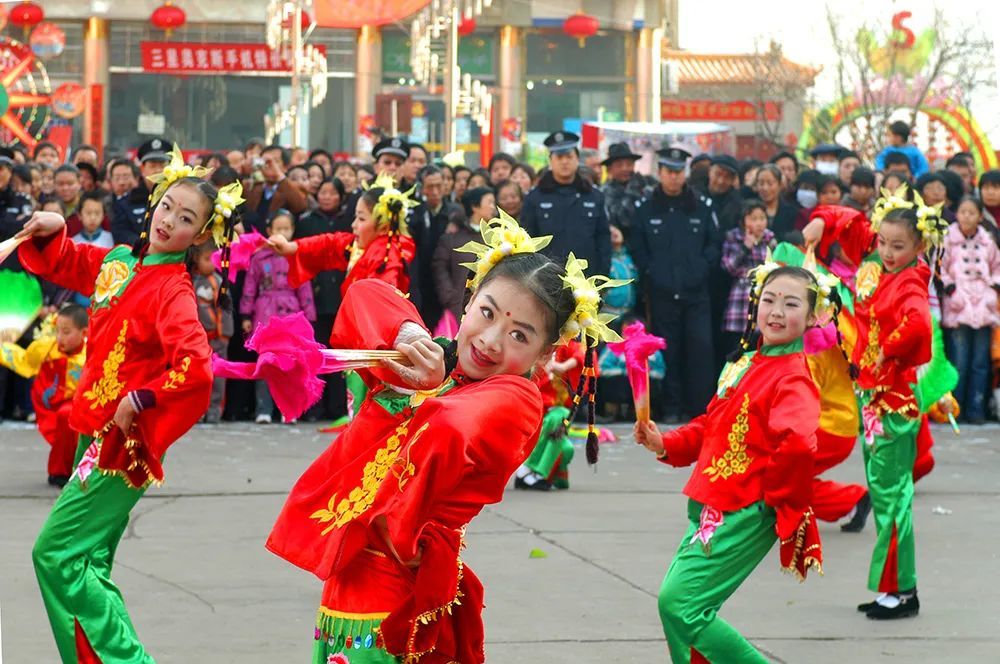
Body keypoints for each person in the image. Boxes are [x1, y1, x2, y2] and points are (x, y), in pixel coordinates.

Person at [263, 210, 620, 663]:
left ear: (546, 353)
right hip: (346, 594)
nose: (491, 340)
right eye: (487, 313)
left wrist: (422, 384)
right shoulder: (435, 365)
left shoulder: (516, 398)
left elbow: (451, 428)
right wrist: (409, 334)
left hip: (394, 605)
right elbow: (364, 294)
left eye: (518, 335)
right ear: (468, 300)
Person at [20, 147, 241, 662]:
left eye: (187, 219)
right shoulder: (122, 260)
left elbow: (196, 364)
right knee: (88, 562)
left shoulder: (174, 291)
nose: (170, 221)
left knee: (56, 554)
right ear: (154, 201)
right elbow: (75, 263)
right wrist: (55, 227)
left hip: (120, 445)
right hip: (88, 431)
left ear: (201, 235)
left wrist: (142, 395)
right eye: (168, 206)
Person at [634, 264, 825, 663]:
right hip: (714, 500)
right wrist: (662, 442)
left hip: (743, 508)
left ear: (811, 317)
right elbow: (711, 425)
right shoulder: (750, 362)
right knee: (681, 606)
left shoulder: (793, 377)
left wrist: (770, 498)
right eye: (769, 299)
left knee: (680, 605)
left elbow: (798, 445)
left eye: (790, 304)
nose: (775, 311)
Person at [803, 185, 946, 619]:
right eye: (883, 241)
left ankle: (902, 591)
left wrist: (889, 348)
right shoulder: (878, 257)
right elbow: (848, 219)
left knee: (892, 495)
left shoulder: (909, 282)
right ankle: (896, 588)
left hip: (893, 402)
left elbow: (919, 325)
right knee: (887, 494)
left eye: (898, 246)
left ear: (919, 246)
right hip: (872, 396)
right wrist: (821, 221)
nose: (885, 250)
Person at [630, 146, 720, 421]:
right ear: (659, 173)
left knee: (699, 349)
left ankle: (699, 409)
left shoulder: (701, 207)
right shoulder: (645, 208)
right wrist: (653, 273)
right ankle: (670, 407)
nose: (673, 177)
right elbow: (639, 248)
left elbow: (713, 245)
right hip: (662, 293)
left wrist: (702, 269)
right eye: (669, 172)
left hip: (696, 294)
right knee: (667, 350)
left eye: (678, 172)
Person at [241, 209, 316, 424]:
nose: (282, 232)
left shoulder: (296, 257)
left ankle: (288, 409)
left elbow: (305, 290)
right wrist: (246, 314)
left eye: (286, 228)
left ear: (292, 231)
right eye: (278, 228)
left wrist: (308, 319)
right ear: (269, 231)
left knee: (291, 363)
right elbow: (249, 288)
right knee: (265, 362)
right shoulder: (259, 258)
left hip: (291, 313)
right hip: (264, 312)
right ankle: (263, 409)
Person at [0, 304, 88, 487]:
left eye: (66, 332)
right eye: (58, 331)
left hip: (83, 405)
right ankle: (60, 472)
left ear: (84, 333)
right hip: (51, 405)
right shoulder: (46, 349)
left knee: (71, 420)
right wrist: (4, 347)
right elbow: (24, 361)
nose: (60, 337)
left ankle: (67, 470)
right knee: (65, 418)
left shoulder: (91, 355)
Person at [940, 196, 1000, 423]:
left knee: (980, 363)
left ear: (979, 216)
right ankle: (956, 409)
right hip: (959, 305)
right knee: (959, 362)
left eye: (971, 212)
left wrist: (993, 288)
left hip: (984, 305)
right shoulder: (947, 240)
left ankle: (976, 409)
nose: (966, 216)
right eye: (963, 211)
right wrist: (951, 290)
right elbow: (941, 269)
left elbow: (997, 267)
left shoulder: (988, 241)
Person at [521, 130, 611, 277]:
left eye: (569, 156)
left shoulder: (594, 196)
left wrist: (602, 277)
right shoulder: (535, 198)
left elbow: (603, 239)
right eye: (559, 157)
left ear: (577, 159)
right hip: (547, 281)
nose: (564, 161)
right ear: (551, 161)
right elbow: (527, 241)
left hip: (586, 281)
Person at [408, 165, 462, 327]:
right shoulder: (414, 212)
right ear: (422, 188)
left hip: (446, 281)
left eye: (439, 186)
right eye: (430, 187)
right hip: (421, 280)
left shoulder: (455, 212)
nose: (435, 191)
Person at [720, 199, 775, 355]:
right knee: (737, 353)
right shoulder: (733, 238)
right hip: (740, 303)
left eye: (762, 218)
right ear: (743, 221)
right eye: (753, 218)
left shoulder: (770, 240)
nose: (759, 223)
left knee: (759, 353)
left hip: (764, 299)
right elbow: (728, 267)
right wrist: (745, 247)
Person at [190, 241, 233, 423]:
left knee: (217, 376)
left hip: (216, 338)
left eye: (215, 259)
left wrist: (224, 335)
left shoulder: (219, 282)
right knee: (198, 376)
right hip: (197, 340)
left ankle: (215, 408)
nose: (212, 263)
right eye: (207, 259)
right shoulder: (190, 281)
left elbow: (225, 311)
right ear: (196, 260)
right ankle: (198, 409)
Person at [109, 138, 170, 246]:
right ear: (142, 169)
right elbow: (121, 232)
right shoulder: (127, 202)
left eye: (162, 165)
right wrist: (145, 246)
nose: (157, 170)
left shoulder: (180, 198)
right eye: (152, 166)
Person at [243, 145, 310, 233]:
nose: (269, 165)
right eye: (265, 161)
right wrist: (244, 169)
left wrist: (278, 176)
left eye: (276, 161)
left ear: (286, 167)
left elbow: (300, 207)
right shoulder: (251, 187)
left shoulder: (293, 188)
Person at [600, 141, 649, 233]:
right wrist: (632, 192)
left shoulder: (644, 186)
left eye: (629, 164)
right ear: (609, 169)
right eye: (619, 165)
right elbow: (622, 220)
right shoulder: (604, 192)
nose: (625, 168)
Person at [753, 164, 797, 241]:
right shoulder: (749, 209)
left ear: (780, 185)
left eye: (770, 183)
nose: (765, 188)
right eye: (761, 183)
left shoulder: (791, 212)